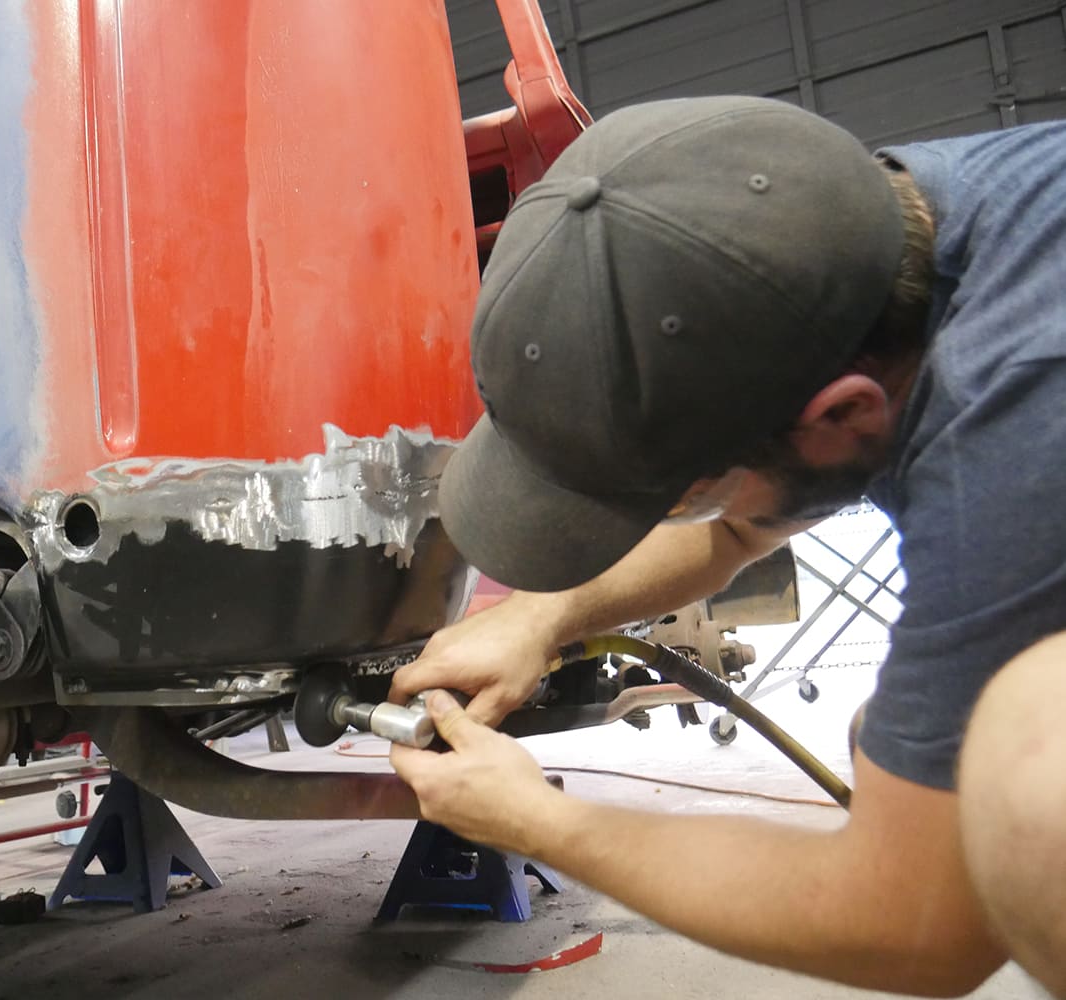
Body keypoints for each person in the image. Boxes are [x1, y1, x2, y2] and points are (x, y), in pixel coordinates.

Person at [386, 95, 1066, 997]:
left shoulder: (1018, 423)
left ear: (841, 415)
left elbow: (911, 929)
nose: (684, 518)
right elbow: (749, 520)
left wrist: (538, 819)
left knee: (1026, 772)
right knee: (909, 747)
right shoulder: (867, 234)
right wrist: (542, 620)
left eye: (676, 501)